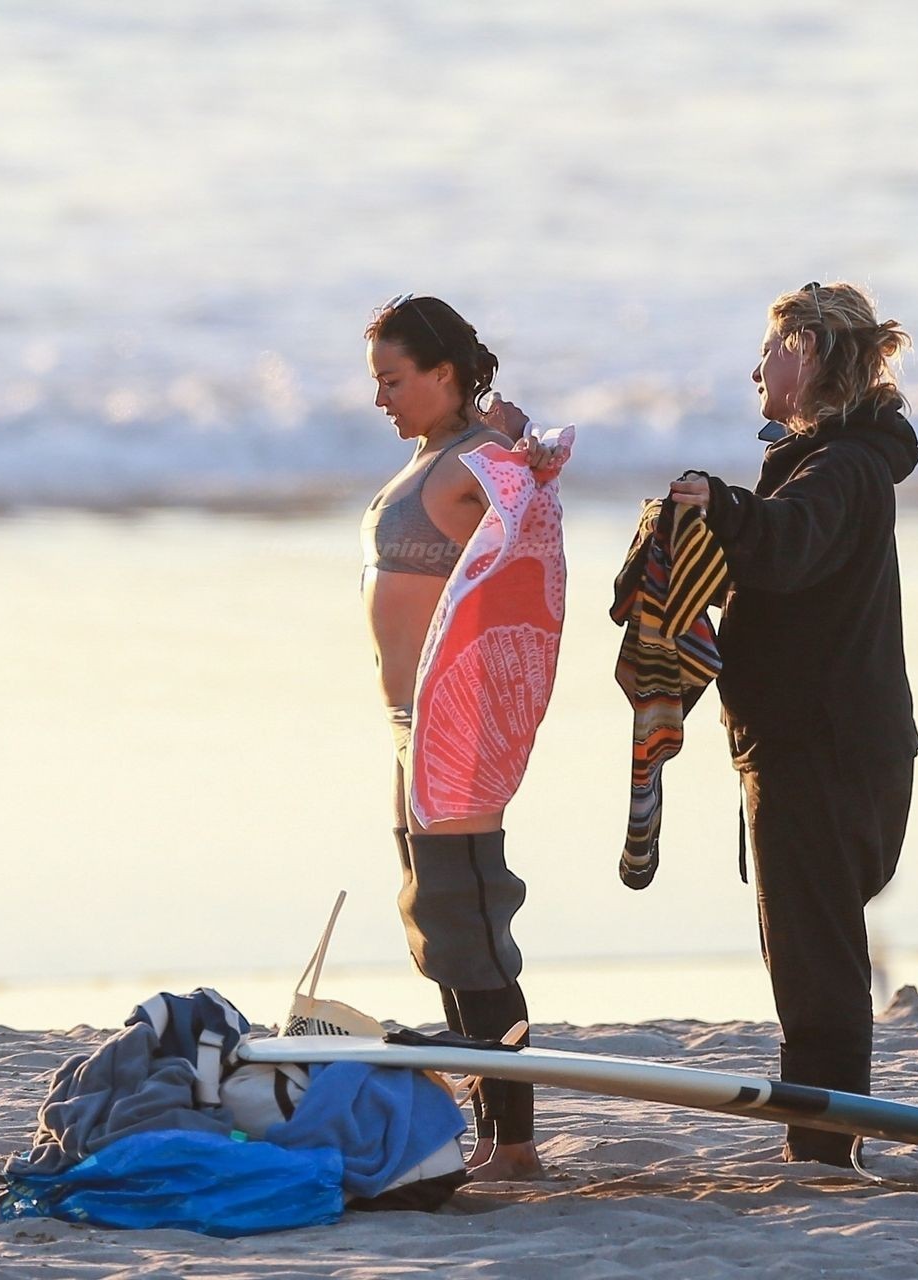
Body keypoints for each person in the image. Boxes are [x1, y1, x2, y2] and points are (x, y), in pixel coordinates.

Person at [666, 281, 918, 1165]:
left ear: (806, 350)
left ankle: (823, 1148)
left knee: (816, 959)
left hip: (823, 752)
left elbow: (785, 545)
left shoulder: (841, 469)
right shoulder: (836, 463)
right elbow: (783, 544)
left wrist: (719, 505)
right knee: (816, 949)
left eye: (769, 350)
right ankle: (822, 1139)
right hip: (827, 747)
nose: (757, 371)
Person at [360, 293, 559, 1181]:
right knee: (436, 925)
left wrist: (525, 454)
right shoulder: (435, 455)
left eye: (394, 380)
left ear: (444, 373)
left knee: (470, 924)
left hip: (456, 726)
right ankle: (487, 1132)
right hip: (411, 725)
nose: (381, 398)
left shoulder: (478, 458)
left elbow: (531, 522)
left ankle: (512, 1144)